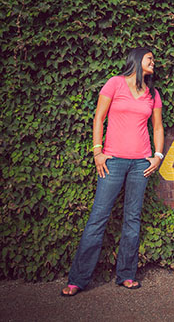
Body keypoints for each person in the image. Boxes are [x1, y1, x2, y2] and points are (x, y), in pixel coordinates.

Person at [61, 47, 164, 296]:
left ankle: (126, 275)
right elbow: (99, 117)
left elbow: (158, 127)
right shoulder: (115, 84)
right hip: (113, 161)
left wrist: (158, 157)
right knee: (98, 217)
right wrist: (98, 151)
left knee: (132, 219)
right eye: (150, 58)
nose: (154, 62)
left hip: (141, 163)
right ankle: (77, 280)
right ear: (138, 60)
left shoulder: (152, 93)